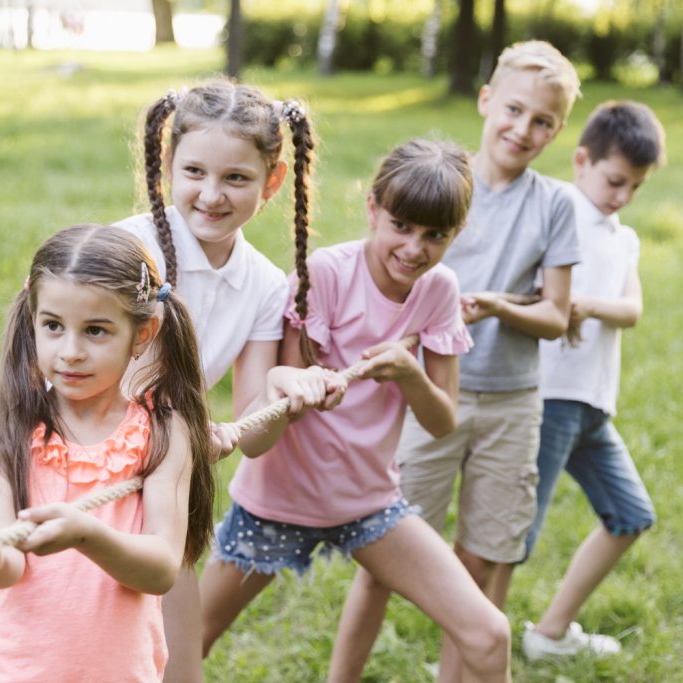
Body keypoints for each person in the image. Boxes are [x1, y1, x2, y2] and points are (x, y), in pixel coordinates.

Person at [200, 139, 513, 683]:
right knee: (182, 640)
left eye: (434, 235)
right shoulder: (325, 273)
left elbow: (443, 423)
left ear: (455, 234)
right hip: (277, 501)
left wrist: (409, 372)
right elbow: (273, 419)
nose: (414, 248)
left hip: (368, 504)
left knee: (490, 634)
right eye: (402, 226)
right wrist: (298, 386)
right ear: (373, 209)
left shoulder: (438, 290)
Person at [333, 41, 583, 681]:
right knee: (385, 560)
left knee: (481, 563)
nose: (522, 129)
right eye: (514, 110)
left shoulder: (553, 205)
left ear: (557, 131)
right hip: (427, 399)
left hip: (510, 402)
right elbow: (387, 280)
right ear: (486, 101)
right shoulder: (436, 186)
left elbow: (557, 316)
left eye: (543, 122)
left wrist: (498, 306)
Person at [113, 79, 339, 682]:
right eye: (194, 172)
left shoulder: (265, 285)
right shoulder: (127, 250)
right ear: (168, 166)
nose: (211, 195)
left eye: (236, 178)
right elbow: (90, 382)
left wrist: (287, 391)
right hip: (86, 474)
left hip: (168, 488)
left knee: (177, 666)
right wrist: (188, 428)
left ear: (273, 180)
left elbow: (254, 435)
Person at [0, 224, 216, 682]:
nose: (70, 352)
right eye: (53, 326)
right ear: (32, 319)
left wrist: (86, 535)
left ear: (143, 333)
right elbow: (7, 563)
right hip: (9, 671)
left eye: (96, 331)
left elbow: (163, 567)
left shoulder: (164, 433)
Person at [520, 100, 665, 661]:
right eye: (615, 181)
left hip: (594, 406)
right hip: (552, 398)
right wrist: (561, 303)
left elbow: (631, 310)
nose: (622, 196)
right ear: (582, 160)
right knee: (514, 540)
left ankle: (549, 634)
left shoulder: (623, 237)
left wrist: (583, 304)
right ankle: (465, 654)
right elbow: (534, 293)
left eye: (635, 187)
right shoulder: (558, 215)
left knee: (631, 516)